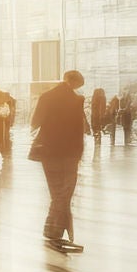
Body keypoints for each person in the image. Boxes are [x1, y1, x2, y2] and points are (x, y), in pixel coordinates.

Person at [31, 70, 87, 252]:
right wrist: (79, 152)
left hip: (48, 151)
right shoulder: (76, 101)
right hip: (68, 152)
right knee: (65, 191)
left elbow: (35, 121)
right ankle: (54, 232)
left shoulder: (46, 97)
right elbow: (79, 129)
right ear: (74, 82)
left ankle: (52, 230)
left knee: (57, 192)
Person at [87, 86, 108, 160]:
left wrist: (100, 118)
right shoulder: (101, 98)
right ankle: (97, 148)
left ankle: (97, 148)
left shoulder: (97, 98)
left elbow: (100, 110)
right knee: (97, 132)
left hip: (95, 118)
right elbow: (101, 109)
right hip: (96, 118)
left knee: (97, 132)